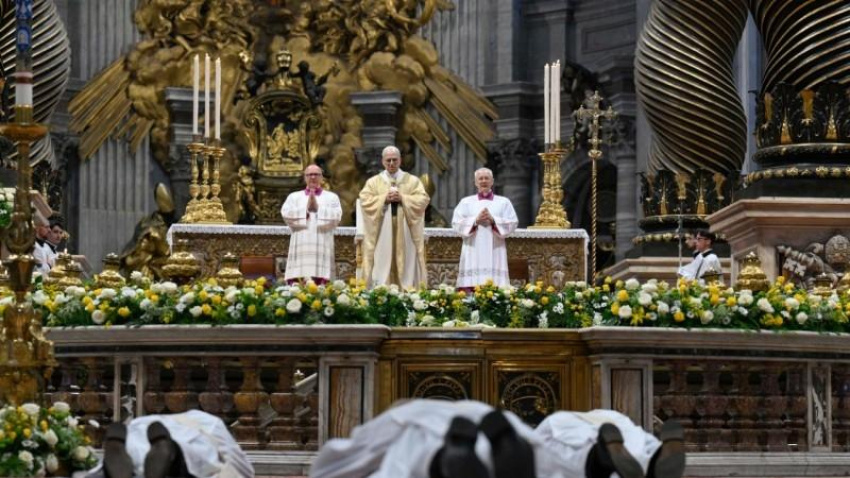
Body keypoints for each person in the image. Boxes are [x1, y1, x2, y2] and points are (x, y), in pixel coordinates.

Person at [309, 399, 686, 478]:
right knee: (551, 458)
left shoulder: (555, 420)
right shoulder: (611, 415)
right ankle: (608, 461)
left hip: (428, 421)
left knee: (406, 452)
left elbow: (340, 460)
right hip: (504, 428)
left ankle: (445, 461)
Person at [98, 410, 254, 478]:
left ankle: (115, 452)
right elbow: (241, 467)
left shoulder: (140, 422)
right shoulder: (210, 422)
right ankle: (172, 452)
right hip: (188, 437)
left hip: (136, 432)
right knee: (196, 456)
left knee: (135, 451)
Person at [358, 146, 429, 289]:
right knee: (382, 259)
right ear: (383, 161)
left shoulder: (412, 181)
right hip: (382, 228)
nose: (391, 163)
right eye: (388, 160)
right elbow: (364, 200)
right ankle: (381, 289)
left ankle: (407, 290)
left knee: (406, 260)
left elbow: (423, 199)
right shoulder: (373, 182)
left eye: (394, 160)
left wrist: (403, 198)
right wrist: (384, 199)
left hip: (405, 229)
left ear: (400, 160)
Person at [452, 168, 518, 289]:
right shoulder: (466, 202)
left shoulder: (503, 202)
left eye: (486, 178)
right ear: (476, 182)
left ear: (492, 181)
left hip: (495, 248)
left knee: (495, 283)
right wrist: (475, 220)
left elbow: (513, 222)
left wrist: (494, 220)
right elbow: (456, 222)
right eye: (480, 179)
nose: (483, 181)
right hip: (473, 247)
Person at [280, 164, 342, 284]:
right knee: (299, 278)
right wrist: (306, 210)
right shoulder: (294, 197)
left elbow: (337, 216)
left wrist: (318, 209)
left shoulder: (332, 197)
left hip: (322, 241)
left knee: (321, 279)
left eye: (316, 174)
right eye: (309, 174)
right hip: (301, 242)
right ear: (305, 177)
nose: (313, 177)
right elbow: (285, 213)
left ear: (321, 177)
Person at [32, 210, 55, 275]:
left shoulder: (46, 246)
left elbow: (55, 262)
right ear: (37, 228)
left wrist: (49, 265)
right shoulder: (32, 246)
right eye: (46, 227)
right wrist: (49, 265)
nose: (50, 230)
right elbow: (40, 270)